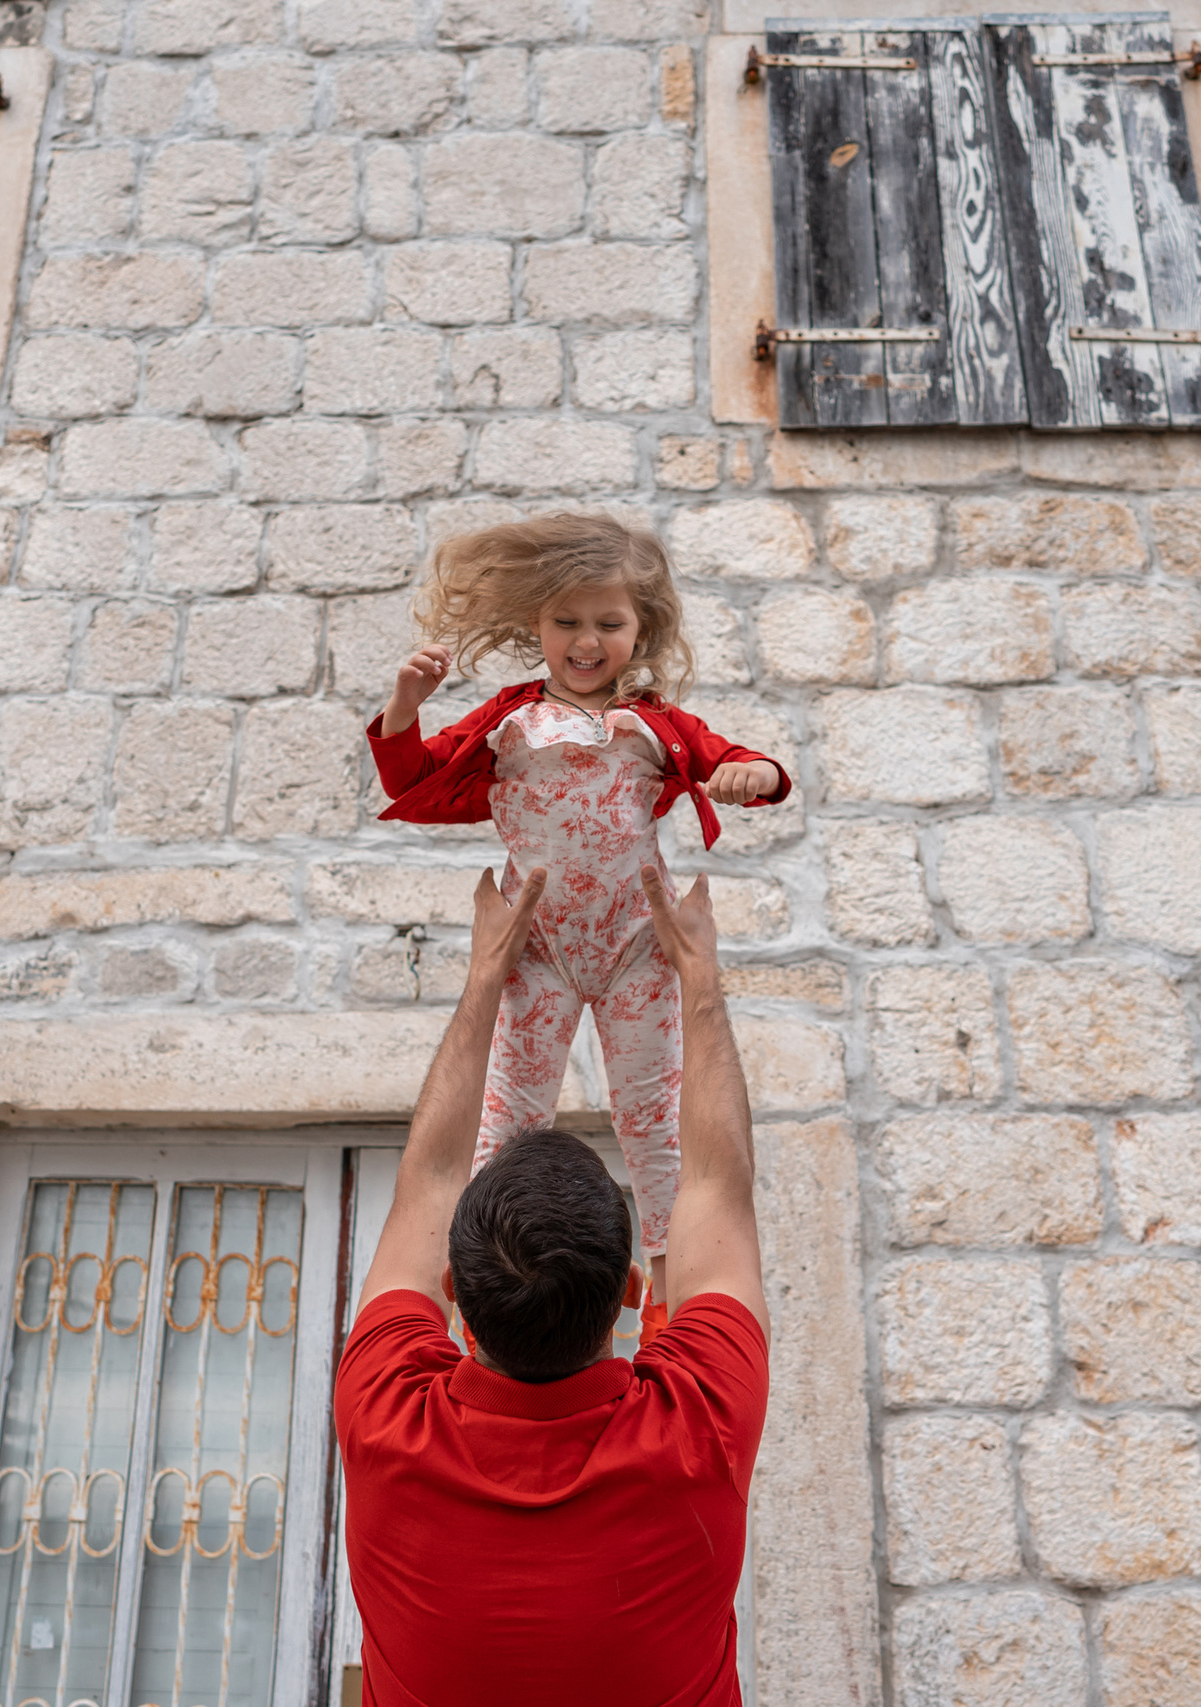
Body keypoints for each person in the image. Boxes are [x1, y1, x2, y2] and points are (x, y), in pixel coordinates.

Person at [332, 860, 768, 1707]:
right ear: (635, 1292)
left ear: (453, 1290)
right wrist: (699, 982)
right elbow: (717, 1184)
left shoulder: (384, 1413)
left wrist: (486, 975)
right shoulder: (699, 1424)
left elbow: (426, 1182)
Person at [366, 512, 789, 1338]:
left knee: (653, 1121)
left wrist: (752, 773)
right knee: (510, 1116)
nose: (586, 641)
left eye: (609, 623)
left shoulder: (655, 725)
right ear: (537, 624)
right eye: (567, 621)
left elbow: (742, 763)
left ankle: (669, 1305)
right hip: (541, 947)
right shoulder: (510, 721)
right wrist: (404, 704)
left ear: (641, 628)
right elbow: (416, 778)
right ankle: (473, 1297)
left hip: (636, 943)